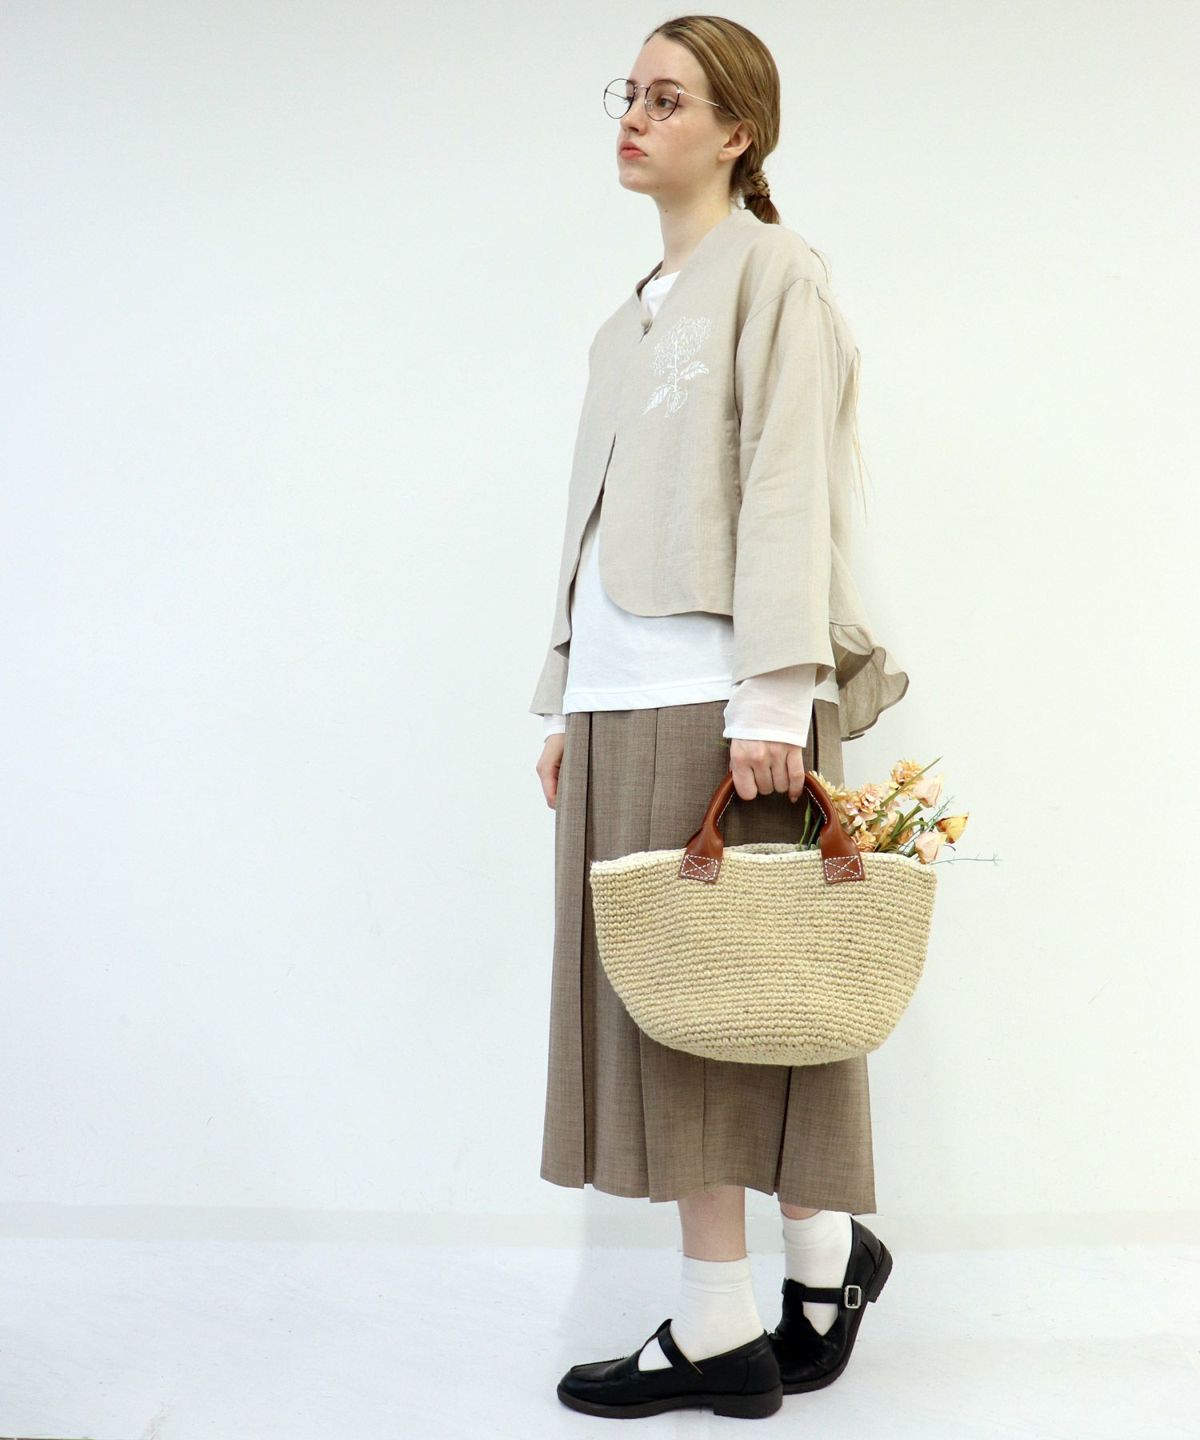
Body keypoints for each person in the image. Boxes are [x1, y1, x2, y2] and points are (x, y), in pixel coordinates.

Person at [529, 15, 908, 1421]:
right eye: (628, 94)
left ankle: (721, 1327)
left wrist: (777, 692)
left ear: (737, 131)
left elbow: (790, 481)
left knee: (747, 1001)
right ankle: (813, 1271)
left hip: (727, 692)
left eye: (668, 98)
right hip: (620, 695)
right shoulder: (626, 317)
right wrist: (565, 693)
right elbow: (596, 522)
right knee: (676, 1006)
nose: (635, 117)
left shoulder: (774, 271)